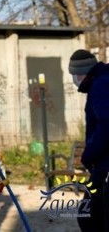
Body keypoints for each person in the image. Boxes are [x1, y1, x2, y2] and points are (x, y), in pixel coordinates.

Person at [68, 49, 109, 231]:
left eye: (74, 75)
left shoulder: (101, 85)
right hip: (102, 164)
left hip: (104, 165)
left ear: (81, 73)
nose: (74, 80)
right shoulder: (102, 81)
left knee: (90, 218)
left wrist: (89, 155)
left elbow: (106, 124)